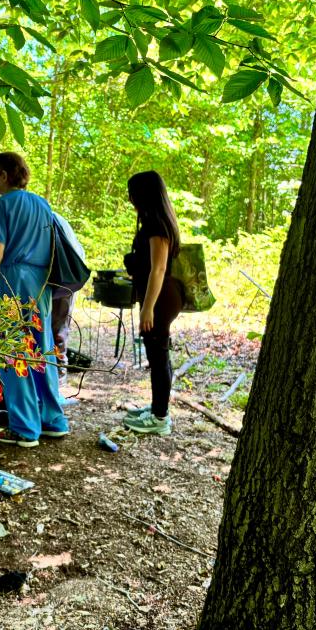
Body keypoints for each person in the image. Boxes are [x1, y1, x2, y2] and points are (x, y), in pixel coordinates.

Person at [0, 152, 69, 448]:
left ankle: (24, 428)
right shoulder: (43, 204)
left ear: (4, 175)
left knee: (13, 350)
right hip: (41, 283)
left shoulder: (1, 205)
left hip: (14, 280)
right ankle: (53, 420)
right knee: (42, 348)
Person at [122, 170, 184, 435]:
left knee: (158, 357)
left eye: (133, 193)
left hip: (161, 298)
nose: (130, 199)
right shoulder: (155, 222)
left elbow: (158, 269)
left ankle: (160, 418)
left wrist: (147, 307)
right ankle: (158, 408)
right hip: (159, 296)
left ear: (144, 195)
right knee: (156, 355)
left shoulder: (157, 226)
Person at [50, 211, 86, 386]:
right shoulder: (45, 218)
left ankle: (58, 376)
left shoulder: (50, 221)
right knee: (54, 327)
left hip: (65, 278)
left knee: (58, 328)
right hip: (56, 278)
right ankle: (52, 374)